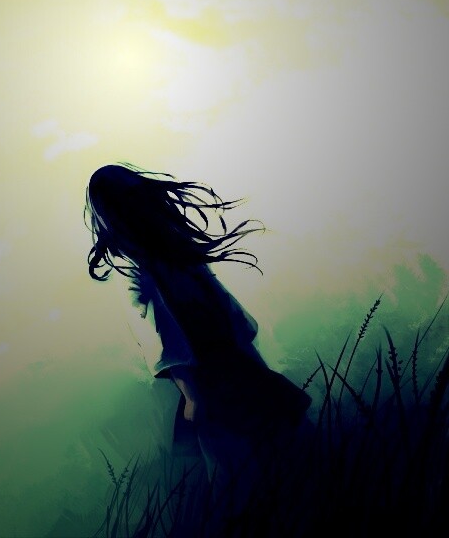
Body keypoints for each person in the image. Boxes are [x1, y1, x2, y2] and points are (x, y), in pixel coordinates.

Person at [84, 162, 312, 511]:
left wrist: (251, 360)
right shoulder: (133, 266)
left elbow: (220, 306)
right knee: (236, 475)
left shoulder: (173, 249)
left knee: (289, 448)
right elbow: (157, 329)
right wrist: (191, 393)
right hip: (207, 379)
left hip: (234, 365)